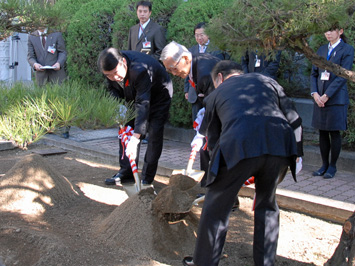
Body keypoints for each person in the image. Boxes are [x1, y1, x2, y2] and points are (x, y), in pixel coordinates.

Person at [182, 60, 303, 266]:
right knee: (267, 204)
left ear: (219, 78)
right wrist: (297, 155)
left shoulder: (214, 96)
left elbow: (213, 141)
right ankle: (265, 263)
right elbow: (295, 119)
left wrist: (216, 176)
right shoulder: (268, 82)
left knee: (216, 208)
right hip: (280, 146)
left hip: (239, 145)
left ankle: (204, 263)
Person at [98, 48, 173, 186]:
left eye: (116, 73)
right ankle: (127, 172)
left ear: (123, 62)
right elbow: (112, 89)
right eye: (109, 75)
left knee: (154, 133)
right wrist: (118, 105)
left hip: (158, 96)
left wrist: (136, 137)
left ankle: (147, 177)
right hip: (133, 95)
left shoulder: (139, 70)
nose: (114, 77)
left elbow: (143, 104)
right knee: (126, 130)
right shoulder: (109, 68)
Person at [160, 41, 221, 185]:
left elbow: (214, 104)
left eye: (174, 68)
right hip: (214, 110)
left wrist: (201, 132)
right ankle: (208, 187)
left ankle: (223, 195)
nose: (174, 73)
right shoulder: (194, 66)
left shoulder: (205, 72)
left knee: (215, 148)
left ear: (186, 58)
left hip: (226, 114)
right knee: (206, 148)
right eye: (170, 71)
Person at [310, 27, 354, 179]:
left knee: (334, 132)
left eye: (331, 31)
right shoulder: (321, 49)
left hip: (336, 99)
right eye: (326, 31)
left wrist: (327, 95)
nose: (327, 33)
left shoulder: (347, 49)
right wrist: (315, 93)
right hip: (319, 97)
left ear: (340, 31)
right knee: (322, 132)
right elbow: (314, 73)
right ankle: (323, 165)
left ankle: (332, 166)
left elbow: (343, 75)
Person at [184, 22, 230, 121]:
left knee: (211, 121)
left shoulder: (217, 49)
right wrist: (187, 89)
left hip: (212, 92)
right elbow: (187, 71)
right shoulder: (191, 50)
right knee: (196, 121)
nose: (199, 38)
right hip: (194, 93)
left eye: (202, 35)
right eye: (197, 35)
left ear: (208, 34)